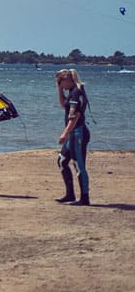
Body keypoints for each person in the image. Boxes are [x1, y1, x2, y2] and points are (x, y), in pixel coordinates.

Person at [55, 68, 90, 205]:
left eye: (60, 82)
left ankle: (84, 197)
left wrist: (64, 133)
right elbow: (64, 106)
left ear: (67, 80)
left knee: (78, 165)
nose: (59, 84)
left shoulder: (77, 92)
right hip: (72, 134)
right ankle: (70, 194)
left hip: (78, 133)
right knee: (62, 161)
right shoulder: (71, 92)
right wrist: (59, 90)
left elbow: (75, 116)